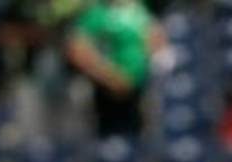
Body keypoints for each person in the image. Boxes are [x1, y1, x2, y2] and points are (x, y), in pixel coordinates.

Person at [65, 0, 166, 138]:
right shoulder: (95, 12)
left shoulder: (139, 8)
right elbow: (77, 50)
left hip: (139, 89)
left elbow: (155, 39)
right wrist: (111, 77)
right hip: (106, 92)